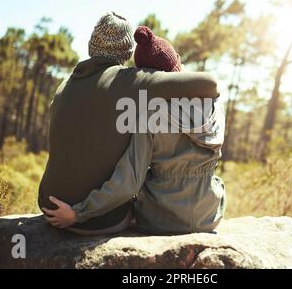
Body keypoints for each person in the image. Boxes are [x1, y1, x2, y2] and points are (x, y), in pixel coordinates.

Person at [39, 12, 220, 235]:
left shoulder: (64, 87)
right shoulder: (130, 82)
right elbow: (210, 83)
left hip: (49, 206)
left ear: (89, 45)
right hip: (97, 221)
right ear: (126, 54)